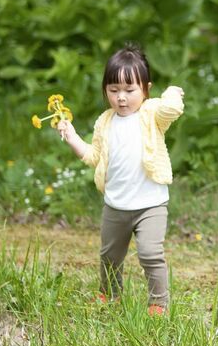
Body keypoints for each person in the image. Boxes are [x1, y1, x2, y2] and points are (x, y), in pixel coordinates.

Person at [57, 44, 184, 316]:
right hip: (115, 205)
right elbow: (93, 156)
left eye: (130, 90)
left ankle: (158, 303)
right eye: (114, 90)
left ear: (146, 89)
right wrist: (72, 137)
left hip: (151, 204)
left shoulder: (151, 115)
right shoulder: (105, 122)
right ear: (106, 90)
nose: (121, 98)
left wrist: (173, 93)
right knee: (110, 257)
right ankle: (110, 294)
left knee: (150, 254)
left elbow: (171, 111)